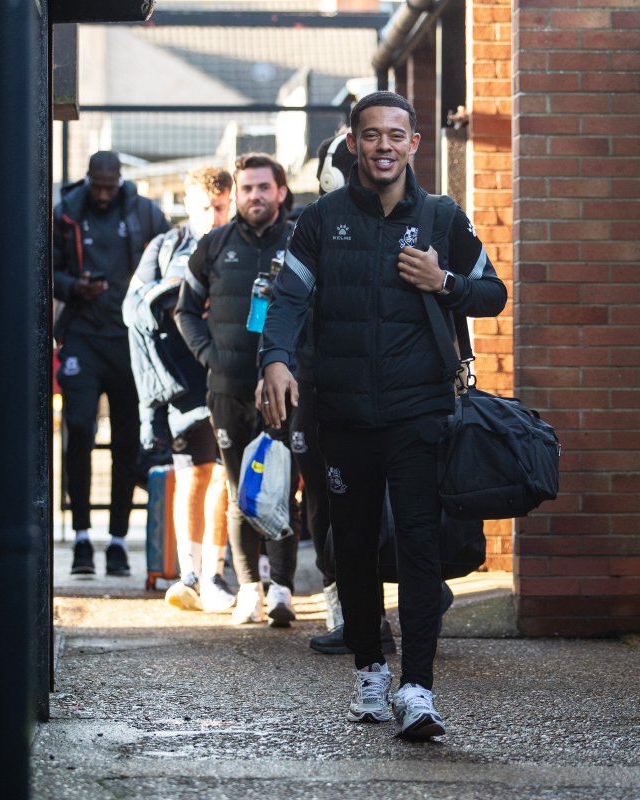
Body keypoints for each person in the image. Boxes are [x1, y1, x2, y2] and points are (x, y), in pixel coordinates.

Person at [258, 92, 507, 741]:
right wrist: (275, 361)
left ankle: (417, 689)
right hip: (343, 413)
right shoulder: (320, 220)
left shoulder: (442, 218)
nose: (384, 146)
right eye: (372, 135)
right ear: (354, 143)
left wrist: (443, 281)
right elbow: (286, 299)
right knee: (355, 552)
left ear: (415, 143)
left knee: (421, 549)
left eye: (396, 134)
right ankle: (372, 670)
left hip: (420, 410)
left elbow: (493, 294)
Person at [175, 153, 299, 627]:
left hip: (286, 388)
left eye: (263, 188)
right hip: (228, 387)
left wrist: (296, 365)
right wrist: (212, 357)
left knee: (282, 487)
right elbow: (185, 310)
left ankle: (282, 589)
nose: (254, 197)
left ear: (280, 192)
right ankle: (249, 587)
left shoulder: (300, 241)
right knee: (238, 491)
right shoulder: (212, 244)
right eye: (246, 189)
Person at [298, 130, 397, 656]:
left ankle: (374, 612)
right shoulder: (317, 223)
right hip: (320, 381)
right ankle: (352, 610)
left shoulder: (420, 216)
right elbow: (287, 304)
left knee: (371, 503)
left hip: (368, 384)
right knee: (328, 500)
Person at [123, 165, 235, 611]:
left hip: (230, 376)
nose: (213, 215)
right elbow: (133, 307)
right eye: (205, 207)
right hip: (182, 382)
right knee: (193, 475)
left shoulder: (243, 244)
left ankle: (215, 575)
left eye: (221, 206)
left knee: (227, 477)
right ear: (188, 204)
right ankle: (189, 574)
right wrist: (173, 293)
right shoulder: (164, 245)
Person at [53, 150, 170, 576]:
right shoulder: (66, 212)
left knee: (126, 440)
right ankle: (82, 537)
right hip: (83, 335)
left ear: (119, 181)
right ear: (87, 180)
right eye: (96, 185)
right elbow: (46, 268)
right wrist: (72, 287)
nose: (103, 194)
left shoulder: (145, 213)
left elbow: (169, 263)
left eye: (109, 186)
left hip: (130, 341)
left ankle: (118, 540)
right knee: (79, 428)